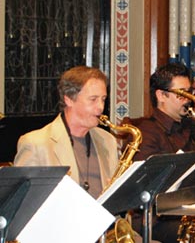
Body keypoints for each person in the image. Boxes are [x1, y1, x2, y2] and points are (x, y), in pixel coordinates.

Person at [13, 66, 120, 199]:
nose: (100, 107)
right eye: (93, 99)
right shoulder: (35, 144)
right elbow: (22, 202)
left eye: (103, 99)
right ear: (68, 99)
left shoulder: (108, 140)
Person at [131, 62, 195, 243]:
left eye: (190, 92)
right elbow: (144, 187)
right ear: (161, 95)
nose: (188, 99)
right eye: (182, 94)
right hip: (157, 220)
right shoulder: (146, 132)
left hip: (191, 212)